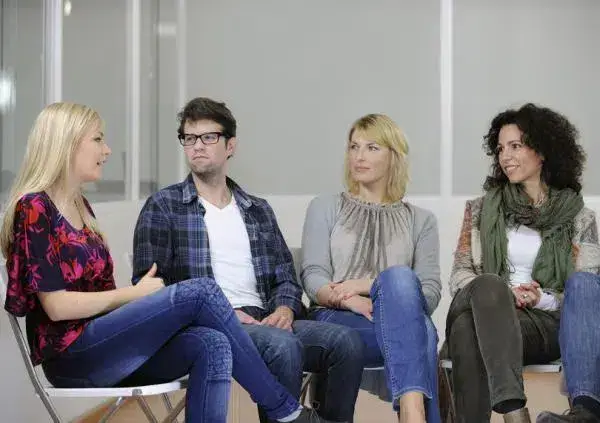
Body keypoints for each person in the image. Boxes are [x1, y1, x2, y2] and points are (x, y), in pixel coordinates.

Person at [1, 102, 337, 423]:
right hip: (73, 357)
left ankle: (284, 410)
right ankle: (286, 410)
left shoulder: (81, 207)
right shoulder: (34, 208)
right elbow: (57, 308)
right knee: (202, 291)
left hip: (104, 343)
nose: (106, 151)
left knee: (214, 343)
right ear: (67, 144)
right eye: (98, 139)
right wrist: (134, 295)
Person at [132, 97, 364, 423]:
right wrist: (221, 313)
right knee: (282, 346)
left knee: (346, 343)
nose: (197, 146)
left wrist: (284, 309)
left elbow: (286, 276)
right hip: (209, 326)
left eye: (208, 137)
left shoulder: (256, 209)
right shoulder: (163, 207)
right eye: (189, 138)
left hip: (267, 318)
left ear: (231, 145)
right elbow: (151, 290)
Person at [446, 103, 600, 423]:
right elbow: (460, 273)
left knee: (466, 330)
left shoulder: (580, 219)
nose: (505, 156)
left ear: (542, 152)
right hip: (483, 303)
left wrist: (540, 297)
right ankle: (516, 415)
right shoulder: (479, 210)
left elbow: (586, 290)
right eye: (501, 148)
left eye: (516, 146)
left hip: (540, 324)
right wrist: (503, 295)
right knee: (489, 288)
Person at [300, 113, 442, 423]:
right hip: (335, 319)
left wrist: (369, 285)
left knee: (402, 283)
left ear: (394, 156)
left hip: (393, 319)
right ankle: (414, 415)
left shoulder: (422, 221)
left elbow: (429, 295)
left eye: (372, 147)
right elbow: (313, 275)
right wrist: (347, 298)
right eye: (354, 147)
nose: (359, 156)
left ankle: (411, 412)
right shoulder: (325, 206)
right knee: (424, 331)